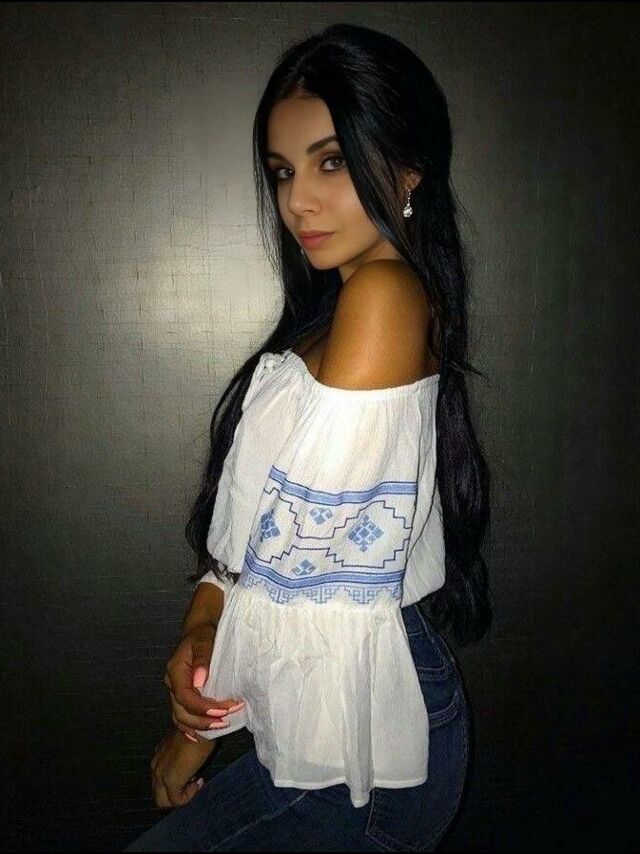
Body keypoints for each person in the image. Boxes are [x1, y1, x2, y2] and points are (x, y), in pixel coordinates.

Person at [125, 22, 492, 852]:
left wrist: (196, 734)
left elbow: (306, 558)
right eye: (283, 170)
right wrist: (204, 625)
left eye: (331, 162)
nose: (296, 201)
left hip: (368, 728)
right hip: (325, 697)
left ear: (408, 169)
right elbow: (259, 526)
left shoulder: (384, 299)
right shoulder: (340, 309)